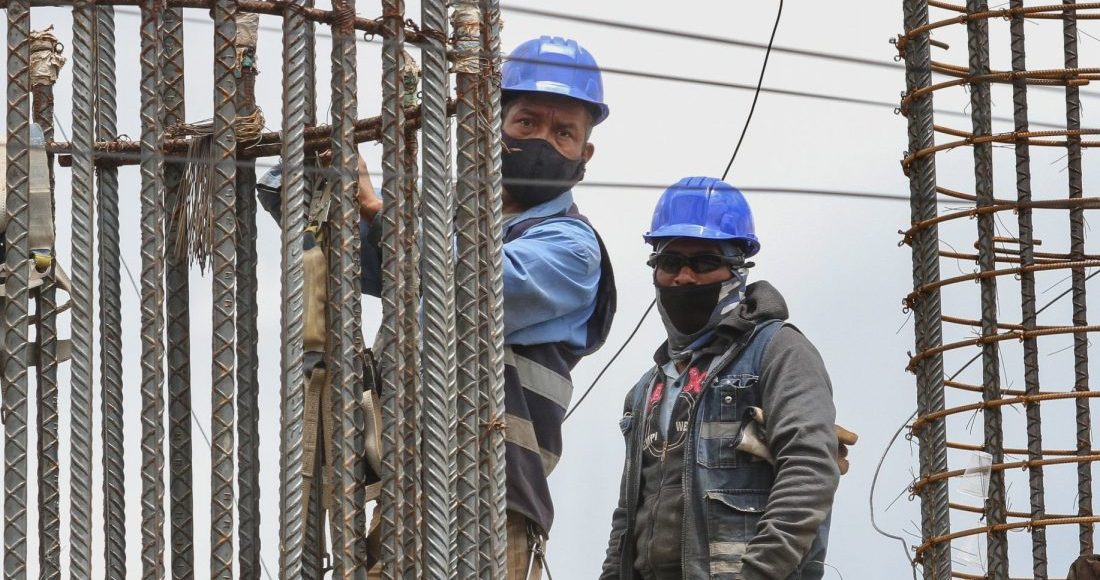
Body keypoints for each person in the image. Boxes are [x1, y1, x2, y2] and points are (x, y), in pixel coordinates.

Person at [357, 36, 617, 578]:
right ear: (491, 125)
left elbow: (473, 286)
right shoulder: (437, 219)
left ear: (585, 154)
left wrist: (389, 215)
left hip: (492, 504)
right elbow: (323, 239)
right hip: (405, 485)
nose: (543, 139)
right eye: (527, 122)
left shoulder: (571, 248)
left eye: (563, 131)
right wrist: (315, 164)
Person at [601, 177, 838, 580]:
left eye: (705, 262)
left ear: (737, 269)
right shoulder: (647, 389)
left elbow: (809, 471)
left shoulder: (777, 352)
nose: (684, 278)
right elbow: (628, 514)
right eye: (670, 263)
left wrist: (759, 574)